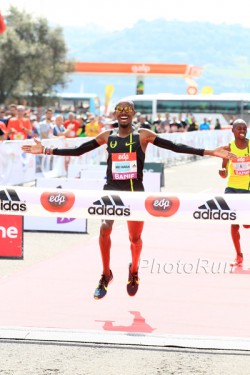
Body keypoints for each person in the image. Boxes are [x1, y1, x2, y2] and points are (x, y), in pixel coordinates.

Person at [22, 100, 235, 300]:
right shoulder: (108, 136)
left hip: (135, 193)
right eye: (119, 110)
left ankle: (133, 271)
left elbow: (175, 146)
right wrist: (46, 150)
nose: (123, 113)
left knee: (135, 239)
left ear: (133, 114)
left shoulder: (143, 135)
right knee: (104, 230)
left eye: (127, 110)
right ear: (115, 114)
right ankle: (106, 274)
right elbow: (78, 151)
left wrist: (209, 152)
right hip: (112, 191)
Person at [219, 119, 250, 266]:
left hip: (247, 189)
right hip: (231, 188)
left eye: (244, 128)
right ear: (233, 130)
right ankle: (238, 255)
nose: (242, 131)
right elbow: (224, 172)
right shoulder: (229, 148)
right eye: (239, 128)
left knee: (247, 225)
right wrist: (222, 172)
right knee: (234, 224)